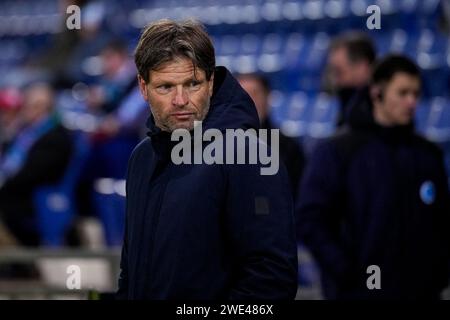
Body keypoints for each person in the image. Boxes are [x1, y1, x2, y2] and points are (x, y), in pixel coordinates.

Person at [116, 19, 298, 300]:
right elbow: (130, 271)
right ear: (143, 87)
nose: (180, 100)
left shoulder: (250, 155)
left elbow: (271, 281)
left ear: (210, 82)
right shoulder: (141, 157)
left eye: (192, 84)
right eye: (165, 87)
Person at [297, 55, 450, 299]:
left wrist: (438, 274)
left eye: (416, 94)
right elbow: (311, 219)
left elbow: (442, 221)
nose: (411, 102)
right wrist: (346, 271)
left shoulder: (427, 154)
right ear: (377, 93)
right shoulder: (338, 151)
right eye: (402, 93)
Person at [0, 83, 73, 246]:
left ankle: (20, 263)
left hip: (35, 198)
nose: (22, 110)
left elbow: (32, 174)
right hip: (19, 191)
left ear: (40, 107)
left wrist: (4, 183)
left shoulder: (55, 136)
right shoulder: (28, 132)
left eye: (25, 105)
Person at [237, 73, 305, 202]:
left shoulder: (288, 149)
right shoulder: (217, 148)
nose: (249, 100)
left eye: (255, 93)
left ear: (267, 98)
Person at [325, 31, 376, 127]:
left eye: (339, 72)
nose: (334, 80)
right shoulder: (347, 101)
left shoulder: (379, 111)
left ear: (362, 67)